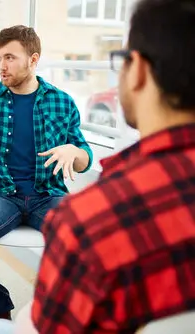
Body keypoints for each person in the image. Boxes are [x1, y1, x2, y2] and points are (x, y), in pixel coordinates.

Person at [31, 0, 195, 332]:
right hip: (1, 195)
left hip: (49, 203)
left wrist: (75, 153)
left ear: (138, 69)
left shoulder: (87, 222)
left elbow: (84, 153)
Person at [0, 25, 93, 319]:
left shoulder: (61, 102)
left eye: (10, 57)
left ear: (33, 59)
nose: (2, 65)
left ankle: (61, 312)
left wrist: (73, 152)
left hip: (47, 195)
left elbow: (84, 156)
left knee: (86, 237)